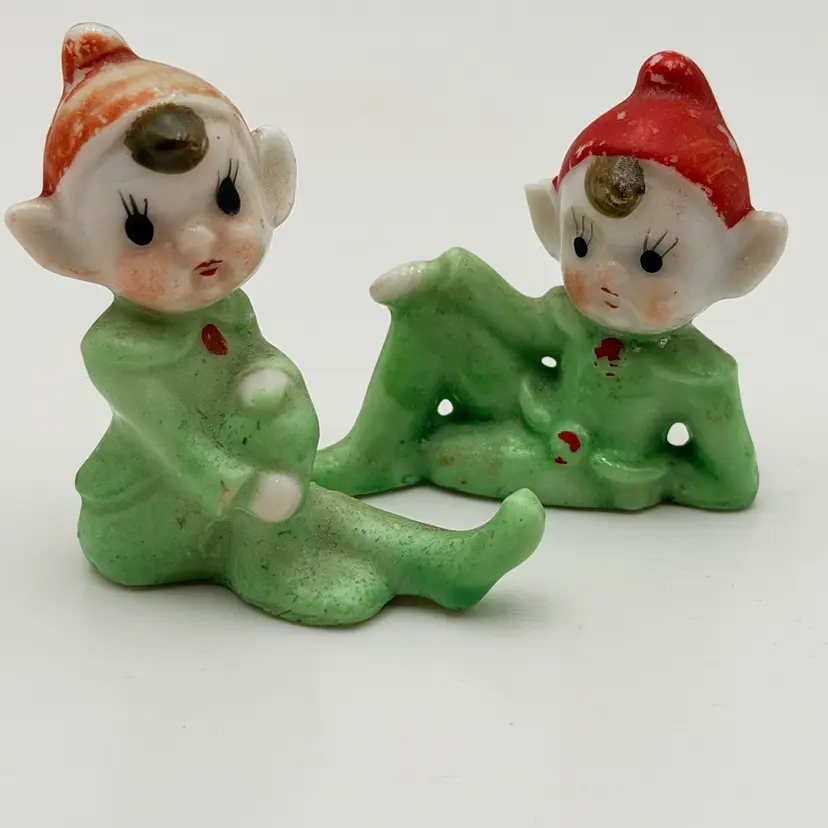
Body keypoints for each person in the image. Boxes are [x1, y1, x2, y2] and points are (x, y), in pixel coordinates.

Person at [5, 23, 545, 625]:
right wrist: (246, 488)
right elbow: (176, 444)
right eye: (141, 229)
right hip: (143, 519)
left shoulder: (226, 308)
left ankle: (433, 565)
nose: (199, 242)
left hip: (242, 487)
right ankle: (358, 564)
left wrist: (274, 381)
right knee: (305, 505)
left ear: (270, 183)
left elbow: (254, 359)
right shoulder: (117, 348)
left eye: (227, 200)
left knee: (298, 480)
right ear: (64, 248)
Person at [315, 51, 788, 512]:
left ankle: (409, 453)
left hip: (581, 470)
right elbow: (515, 323)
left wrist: (654, 476)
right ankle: (372, 453)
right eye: (582, 245)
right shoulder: (569, 316)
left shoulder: (699, 375)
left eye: (651, 260)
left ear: (744, 261)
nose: (607, 276)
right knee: (429, 317)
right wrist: (449, 278)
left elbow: (732, 485)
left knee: (440, 452)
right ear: (551, 221)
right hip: (534, 413)